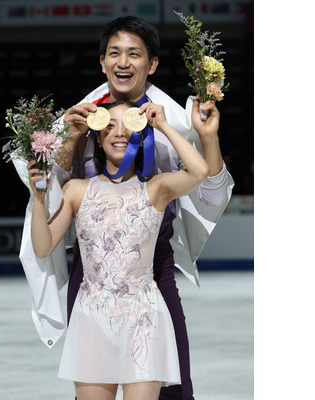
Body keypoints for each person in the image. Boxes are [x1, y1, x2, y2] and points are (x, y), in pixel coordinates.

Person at [12, 16, 234, 400]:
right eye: (114, 53)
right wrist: (66, 138)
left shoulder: (175, 122)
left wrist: (205, 138)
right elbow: (54, 191)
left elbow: (208, 189)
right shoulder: (80, 117)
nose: (123, 62)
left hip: (153, 268)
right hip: (91, 272)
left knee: (175, 388)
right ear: (102, 62)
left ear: (152, 64)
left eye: (135, 53)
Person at [28, 100, 210, 400]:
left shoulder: (156, 188)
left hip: (144, 318)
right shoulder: (76, 189)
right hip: (92, 319)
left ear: (141, 134)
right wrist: (38, 197)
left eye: (128, 124)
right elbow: (43, 245)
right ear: (97, 137)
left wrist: (162, 124)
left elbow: (200, 170)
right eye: (109, 125)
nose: (119, 132)